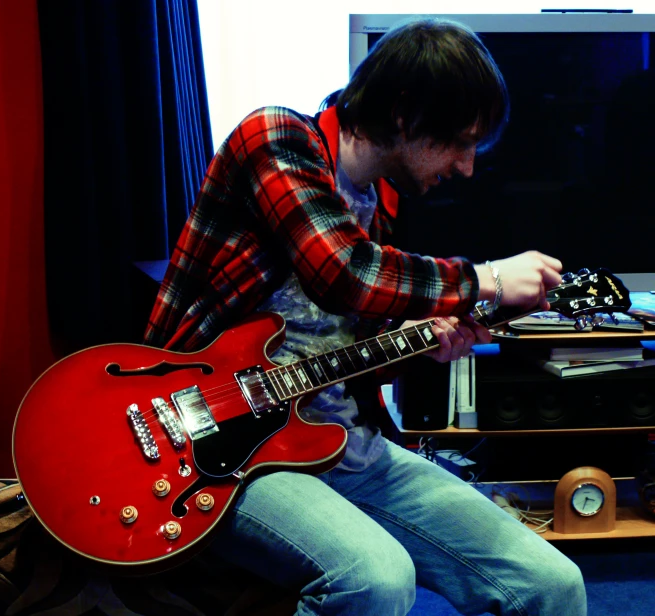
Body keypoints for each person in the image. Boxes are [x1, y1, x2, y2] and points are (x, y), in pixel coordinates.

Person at [144, 17, 587, 616]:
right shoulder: (274, 137)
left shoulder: (380, 203)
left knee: (553, 584)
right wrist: (487, 277)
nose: (466, 166)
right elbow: (342, 273)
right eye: (458, 141)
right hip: (218, 448)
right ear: (404, 113)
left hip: (344, 446)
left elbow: (344, 349)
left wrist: (415, 343)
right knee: (375, 580)